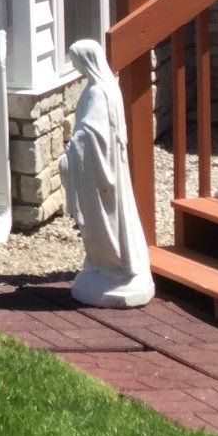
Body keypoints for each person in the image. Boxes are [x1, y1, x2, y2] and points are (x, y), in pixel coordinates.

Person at [60, 39, 155, 308]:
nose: (76, 67)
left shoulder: (98, 93)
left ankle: (112, 266)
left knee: (103, 221)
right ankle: (102, 265)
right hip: (105, 169)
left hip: (100, 173)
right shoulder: (107, 87)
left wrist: (73, 147)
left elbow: (93, 133)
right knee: (108, 219)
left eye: (77, 61)